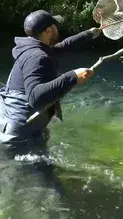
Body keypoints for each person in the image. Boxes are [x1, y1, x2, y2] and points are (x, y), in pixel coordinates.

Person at [0, 9, 101, 151]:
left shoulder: (31, 48)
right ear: (48, 31)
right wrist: (73, 77)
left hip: (11, 127)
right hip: (18, 138)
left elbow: (64, 45)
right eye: (55, 26)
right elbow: (35, 96)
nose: (57, 28)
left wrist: (91, 33)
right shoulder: (37, 57)